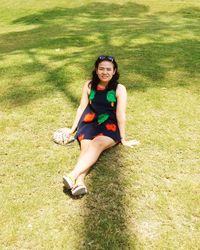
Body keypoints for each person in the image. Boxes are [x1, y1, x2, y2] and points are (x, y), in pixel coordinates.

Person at [63, 55, 139, 196]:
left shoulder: (119, 89)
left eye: (108, 69)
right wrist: (72, 130)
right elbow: (81, 108)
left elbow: (121, 114)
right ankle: (79, 182)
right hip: (89, 123)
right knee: (85, 149)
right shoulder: (89, 85)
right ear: (96, 70)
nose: (105, 72)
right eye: (101, 69)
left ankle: (72, 175)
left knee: (96, 144)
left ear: (114, 71)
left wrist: (123, 139)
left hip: (109, 125)